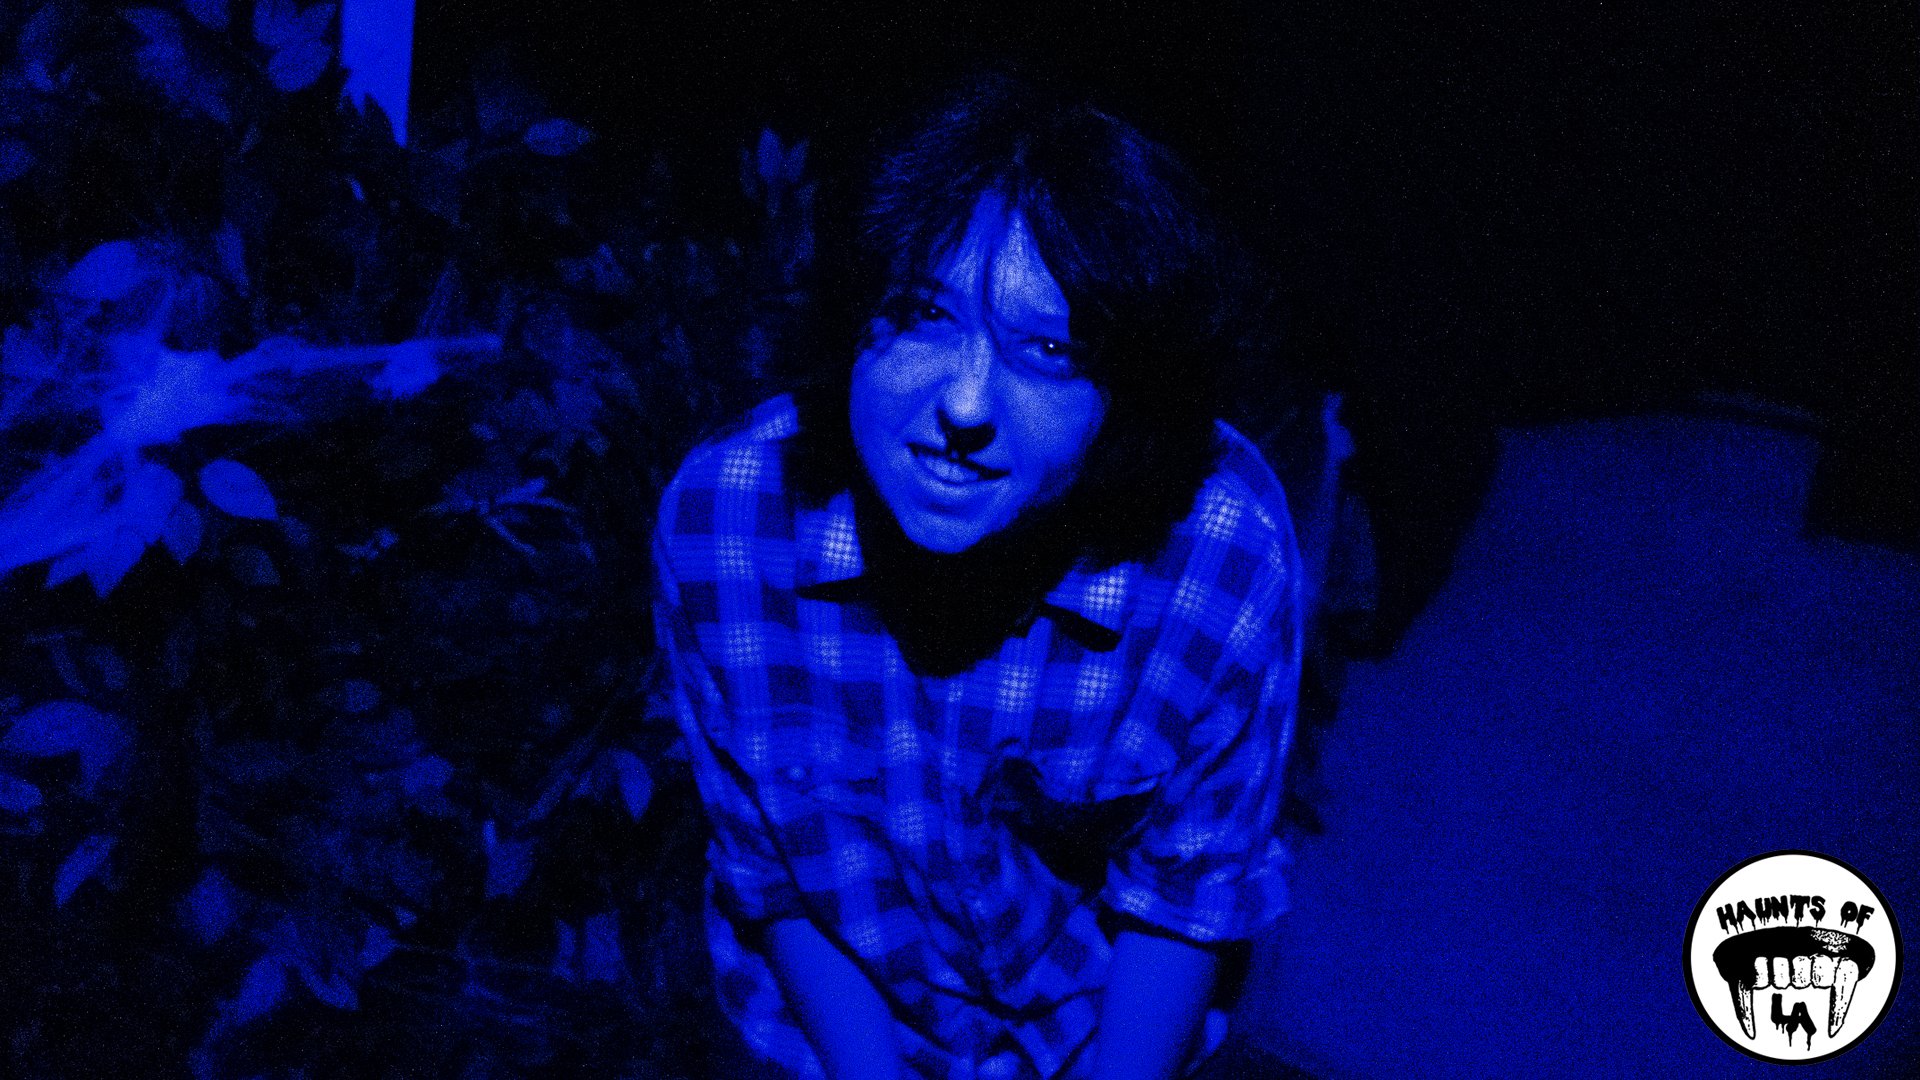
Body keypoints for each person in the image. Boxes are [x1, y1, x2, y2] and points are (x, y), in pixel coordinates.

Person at [652, 73, 1304, 1080]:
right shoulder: (728, 520)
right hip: (831, 1039)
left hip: (1096, 1035)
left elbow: (1186, 902)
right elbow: (772, 872)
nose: (964, 405)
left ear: (1127, 393)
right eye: (924, 314)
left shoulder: (1220, 554)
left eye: (1047, 350)